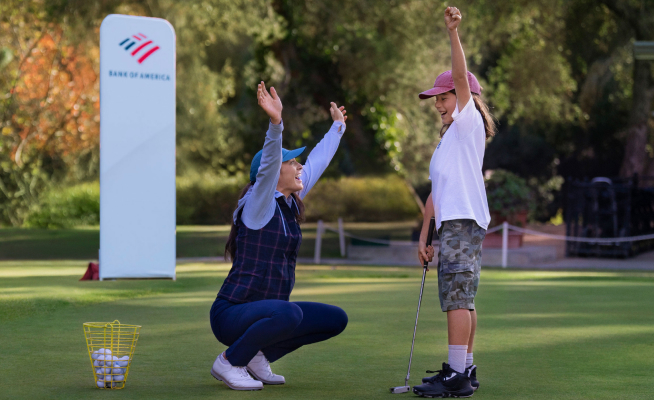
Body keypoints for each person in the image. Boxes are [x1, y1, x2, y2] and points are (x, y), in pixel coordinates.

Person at [209, 81, 349, 391]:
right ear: (273, 175)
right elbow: (271, 160)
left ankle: (257, 355)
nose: (299, 166)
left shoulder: (289, 201)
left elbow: (317, 162)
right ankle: (230, 361)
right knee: (289, 313)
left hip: (267, 315)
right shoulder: (258, 205)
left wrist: (337, 128)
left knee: (335, 319)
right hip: (231, 314)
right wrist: (276, 124)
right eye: (292, 162)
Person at [411, 6, 497, 398]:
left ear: (462, 98)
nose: (438, 105)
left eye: (443, 97)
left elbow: (462, 76)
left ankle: (456, 376)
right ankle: (465, 369)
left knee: (456, 298)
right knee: (462, 297)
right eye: (436, 100)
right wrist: (425, 235)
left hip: (464, 220)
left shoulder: (468, 122)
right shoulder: (447, 141)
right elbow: (435, 193)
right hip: (452, 222)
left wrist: (453, 33)